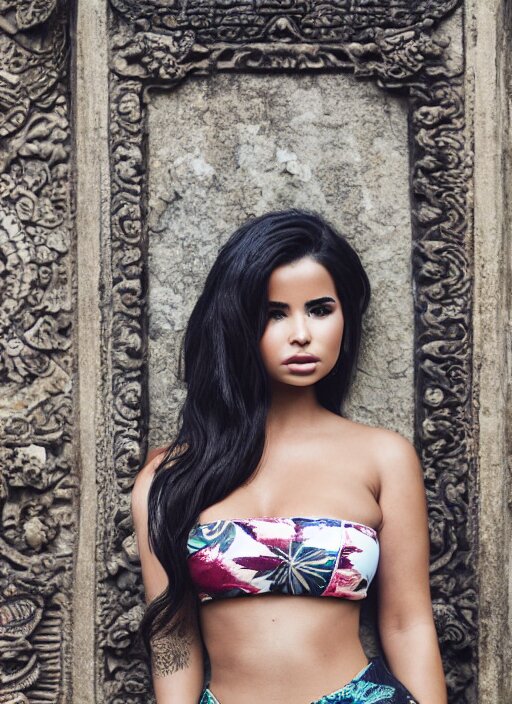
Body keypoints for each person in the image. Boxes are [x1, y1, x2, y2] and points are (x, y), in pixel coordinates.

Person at [131, 208, 447, 704]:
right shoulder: (169, 476)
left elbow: (408, 623)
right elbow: (173, 636)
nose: (301, 333)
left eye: (320, 309)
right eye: (274, 313)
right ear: (237, 323)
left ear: (346, 316)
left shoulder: (383, 457)